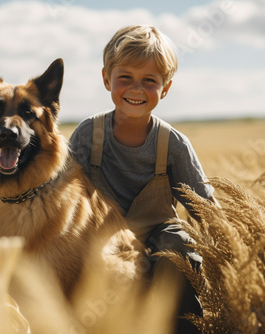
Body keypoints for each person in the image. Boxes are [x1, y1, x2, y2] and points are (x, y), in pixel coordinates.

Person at [69, 25, 218, 333]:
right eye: (126, 78)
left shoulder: (173, 144)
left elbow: (205, 208)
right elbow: (63, 195)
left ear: (165, 88)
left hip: (159, 235)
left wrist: (227, 253)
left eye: (149, 81)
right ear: (106, 78)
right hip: (103, 233)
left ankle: (183, 326)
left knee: (179, 245)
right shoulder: (88, 135)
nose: (136, 89)